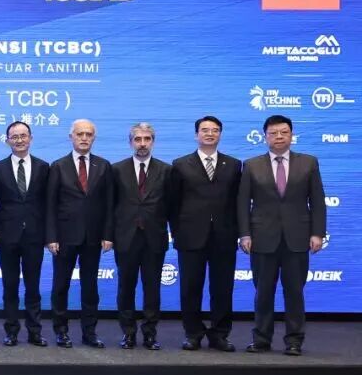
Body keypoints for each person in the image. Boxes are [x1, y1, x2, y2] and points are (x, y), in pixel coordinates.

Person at [239, 114, 325, 356]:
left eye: (284, 132)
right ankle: (261, 339)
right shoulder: (251, 165)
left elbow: (317, 200)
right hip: (262, 238)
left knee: (294, 292)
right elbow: (242, 203)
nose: (279, 137)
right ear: (265, 137)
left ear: (291, 135)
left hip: (297, 238)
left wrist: (317, 233)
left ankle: (294, 340)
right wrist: (244, 234)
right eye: (273, 133)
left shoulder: (308, 162)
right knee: (263, 293)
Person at [168, 116, 241, 352]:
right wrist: (177, 232)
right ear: (196, 134)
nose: (210, 134)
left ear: (220, 134)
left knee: (223, 289)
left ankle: (220, 334)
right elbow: (173, 204)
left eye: (215, 130)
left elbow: (238, 203)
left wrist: (239, 232)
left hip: (224, 236)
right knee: (190, 288)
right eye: (205, 130)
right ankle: (193, 333)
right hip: (190, 236)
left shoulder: (234, 165)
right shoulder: (180, 164)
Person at [45, 119, 114, 348]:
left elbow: (109, 204)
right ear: (71, 137)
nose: (84, 138)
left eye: (88, 134)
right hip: (64, 237)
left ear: (94, 138)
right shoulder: (58, 166)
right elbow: (50, 204)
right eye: (80, 134)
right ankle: (61, 331)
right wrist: (51, 236)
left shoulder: (103, 166)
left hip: (93, 236)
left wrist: (108, 234)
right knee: (61, 286)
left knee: (90, 287)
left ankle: (89, 333)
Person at [0, 121, 49, 347]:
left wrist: (49, 235)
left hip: (35, 235)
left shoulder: (43, 167)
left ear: (31, 138)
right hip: (7, 236)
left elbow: (49, 204)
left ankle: (35, 332)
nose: (19, 140)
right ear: (7, 141)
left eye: (23, 135)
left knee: (33, 287)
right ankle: (11, 331)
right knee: (10, 286)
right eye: (14, 137)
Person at [111, 123, 171, 350]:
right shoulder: (117, 169)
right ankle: (128, 333)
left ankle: (150, 334)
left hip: (155, 238)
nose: (142, 144)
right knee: (125, 287)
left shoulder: (166, 170)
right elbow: (110, 205)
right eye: (138, 139)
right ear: (130, 143)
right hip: (125, 238)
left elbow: (172, 205)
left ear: (153, 142)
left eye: (147, 139)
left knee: (152, 288)